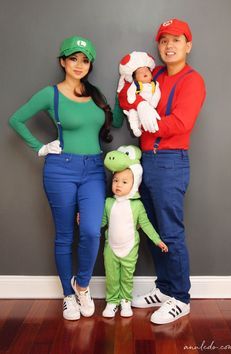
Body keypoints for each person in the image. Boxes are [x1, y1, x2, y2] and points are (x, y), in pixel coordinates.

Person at [9, 35, 113, 320]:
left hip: (93, 169)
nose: (79, 65)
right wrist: (40, 147)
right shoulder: (50, 94)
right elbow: (15, 120)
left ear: (90, 64)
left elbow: (114, 120)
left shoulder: (96, 95)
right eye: (73, 59)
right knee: (65, 235)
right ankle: (68, 296)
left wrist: (132, 92)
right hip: (60, 170)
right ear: (62, 62)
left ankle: (81, 285)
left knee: (92, 231)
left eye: (85, 60)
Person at [118, 19, 206, 324]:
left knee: (171, 231)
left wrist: (146, 119)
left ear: (187, 46)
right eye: (164, 41)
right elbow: (127, 95)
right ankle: (165, 288)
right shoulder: (152, 74)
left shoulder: (192, 80)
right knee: (152, 229)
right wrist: (133, 102)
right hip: (148, 160)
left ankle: (181, 297)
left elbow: (182, 123)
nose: (169, 46)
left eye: (176, 40)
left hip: (171, 161)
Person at [101, 145, 168, 318]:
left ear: (134, 184)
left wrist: (157, 240)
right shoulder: (108, 202)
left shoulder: (137, 205)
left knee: (127, 277)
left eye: (124, 182)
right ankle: (112, 301)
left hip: (130, 248)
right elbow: (100, 222)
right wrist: (84, 220)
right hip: (111, 248)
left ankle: (125, 300)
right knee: (112, 276)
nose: (118, 185)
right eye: (116, 180)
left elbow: (146, 225)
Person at [117, 51, 161, 137]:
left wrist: (152, 104)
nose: (144, 73)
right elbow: (130, 92)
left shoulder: (155, 84)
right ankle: (135, 128)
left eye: (147, 71)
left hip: (151, 105)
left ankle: (141, 127)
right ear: (135, 78)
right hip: (136, 107)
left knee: (149, 117)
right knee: (133, 114)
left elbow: (157, 94)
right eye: (140, 72)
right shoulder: (136, 84)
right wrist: (134, 100)